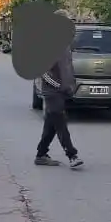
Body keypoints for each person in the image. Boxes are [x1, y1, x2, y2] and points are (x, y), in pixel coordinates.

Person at [35, 10, 83, 168]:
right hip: (52, 91)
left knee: (51, 124)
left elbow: (67, 68)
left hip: (63, 90)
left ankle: (41, 154)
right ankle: (72, 155)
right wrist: (57, 85)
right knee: (60, 122)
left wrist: (71, 85)